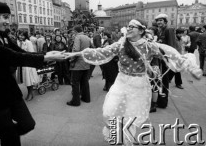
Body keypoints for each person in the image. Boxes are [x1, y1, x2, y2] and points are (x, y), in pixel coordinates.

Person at [65, 19, 202, 145]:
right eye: (128, 26)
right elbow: (101, 52)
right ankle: (114, 133)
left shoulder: (149, 46)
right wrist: (75, 54)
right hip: (121, 81)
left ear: (141, 30)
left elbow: (171, 54)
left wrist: (191, 67)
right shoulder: (121, 44)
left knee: (130, 117)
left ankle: (126, 141)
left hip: (138, 84)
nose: (128, 28)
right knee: (109, 111)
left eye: (132, 26)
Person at [0, 1, 66, 146]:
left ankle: (7, 137)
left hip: (10, 89)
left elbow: (20, 52)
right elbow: (12, 57)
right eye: (5, 17)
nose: (8, 22)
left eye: (9, 17)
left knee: (28, 124)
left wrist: (46, 54)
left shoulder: (3, 35)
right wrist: (46, 57)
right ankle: (8, 138)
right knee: (9, 137)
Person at [155, 13, 177, 108]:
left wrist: (169, 59)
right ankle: (160, 100)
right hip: (161, 58)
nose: (159, 22)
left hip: (166, 59)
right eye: (158, 20)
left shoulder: (169, 30)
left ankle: (163, 103)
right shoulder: (160, 31)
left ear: (165, 21)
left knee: (165, 80)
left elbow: (171, 46)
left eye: (161, 20)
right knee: (161, 80)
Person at [67, 25, 91, 106]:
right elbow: (91, 48)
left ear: (76, 31)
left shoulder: (78, 37)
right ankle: (86, 98)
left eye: (73, 31)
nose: (73, 33)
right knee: (85, 82)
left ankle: (76, 101)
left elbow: (76, 50)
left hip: (78, 64)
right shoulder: (87, 37)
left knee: (75, 83)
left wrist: (72, 59)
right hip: (86, 63)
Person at [17, 30, 40, 101]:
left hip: (28, 64)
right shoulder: (18, 42)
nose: (20, 36)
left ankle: (30, 93)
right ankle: (29, 92)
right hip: (21, 64)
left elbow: (31, 53)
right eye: (19, 35)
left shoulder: (28, 42)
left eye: (22, 35)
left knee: (29, 79)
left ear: (25, 36)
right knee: (25, 79)